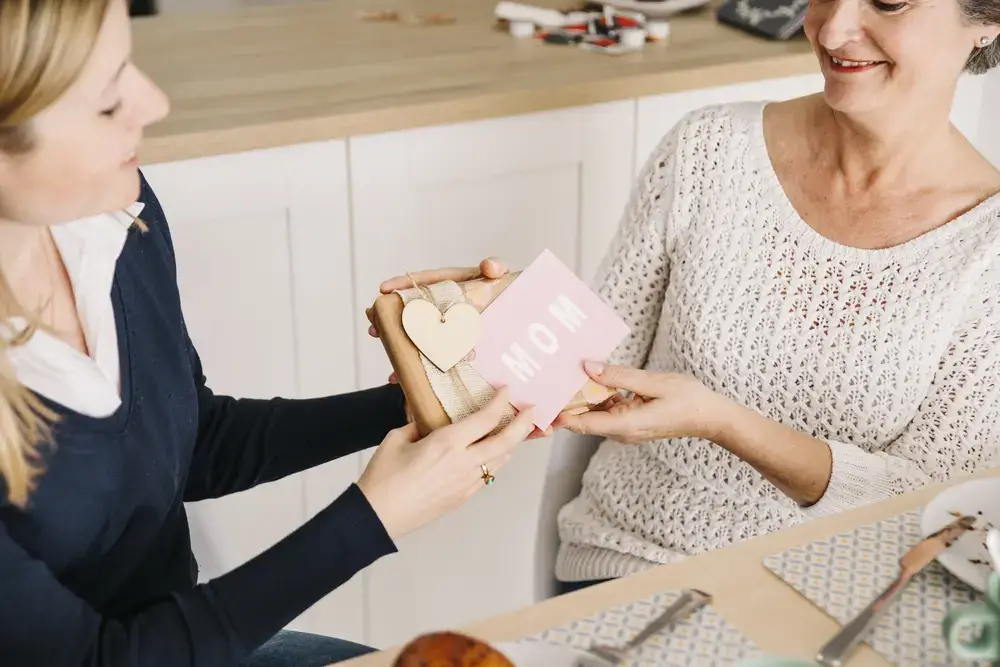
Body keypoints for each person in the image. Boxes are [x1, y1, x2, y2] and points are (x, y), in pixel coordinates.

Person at [0, 1, 536, 666]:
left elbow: (195, 441)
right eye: (109, 101)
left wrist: (419, 399)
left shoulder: (114, 221)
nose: (155, 102)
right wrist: (374, 516)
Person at [545, 0, 1000, 591]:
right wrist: (492, 315)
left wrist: (724, 424)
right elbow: (591, 364)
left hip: (832, 608)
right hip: (626, 564)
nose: (832, 29)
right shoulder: (708, 149)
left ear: (987, 21)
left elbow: (934, 504)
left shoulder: (987, 249)